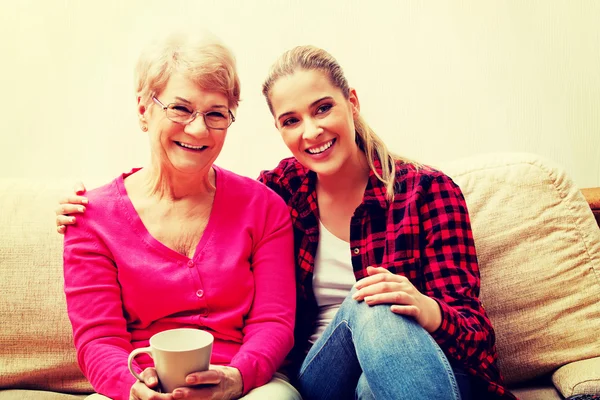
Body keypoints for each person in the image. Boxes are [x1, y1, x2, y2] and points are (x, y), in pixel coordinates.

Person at [57, 45, 516, 399]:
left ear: (351, 103)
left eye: (323, 109)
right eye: (291, 120)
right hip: (322, 373)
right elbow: (188, 186)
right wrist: (90, 210)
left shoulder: (427, 193)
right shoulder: (279, 193)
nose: (311, 132)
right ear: (278, 129)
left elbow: (476, 336)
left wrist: (426, 308)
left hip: (423, 368)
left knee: (375, 334)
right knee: (368, 308)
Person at [60, 31, 300, 400]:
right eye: (181, 108)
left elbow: (274, 321)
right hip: (139, 387)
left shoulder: (264, 207)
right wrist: (134, 389)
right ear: (144, 109)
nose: (199, 128)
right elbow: (99, 339)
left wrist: (236, 377)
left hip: (245, 386)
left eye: (216, 114)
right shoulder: (91, 218)